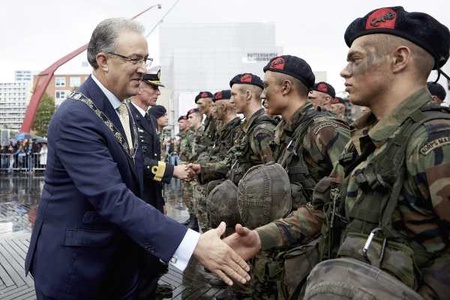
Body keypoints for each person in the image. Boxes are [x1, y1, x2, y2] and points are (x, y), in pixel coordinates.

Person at [226, 6, 450, 300]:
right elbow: (323, 210)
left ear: (399, 59)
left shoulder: (435, 141)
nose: (345, 71)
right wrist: (259, 238)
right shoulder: (366, 140)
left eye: (355, 59)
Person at [25, 17, 250, 300]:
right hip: (79, 269)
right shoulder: (76, 116)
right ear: (103, 60)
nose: (143, 70)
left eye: (145, 59)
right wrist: (191, 244)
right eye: (134, 59)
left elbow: (136, 181)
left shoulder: (125, 111)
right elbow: (112, 197)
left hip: (119, 264)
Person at [243, 55, 350, 299]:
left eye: (267, 86)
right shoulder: (283, 130)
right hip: (284, 249)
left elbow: (348, 198)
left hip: (313, 255)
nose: (262, 94)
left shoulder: (325, 130)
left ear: (286, 87)